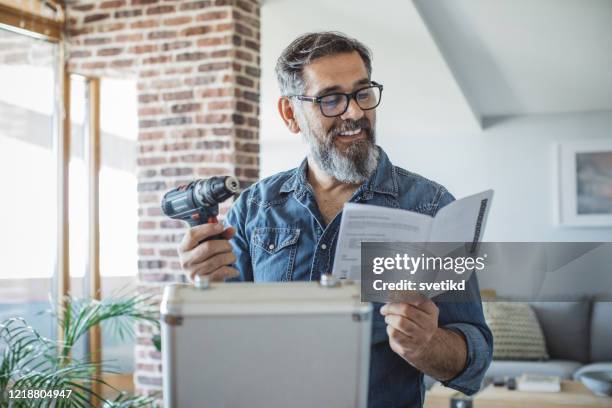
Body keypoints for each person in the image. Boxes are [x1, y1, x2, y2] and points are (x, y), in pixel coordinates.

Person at [178, 31, 493, 408]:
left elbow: (474, 358)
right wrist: (202, 291)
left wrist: (426, 345)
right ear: (290, 114)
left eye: (362, 93)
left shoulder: (432, 206)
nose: (355, 112)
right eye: (331, 99)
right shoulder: (252, 209)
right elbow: (225, 345)